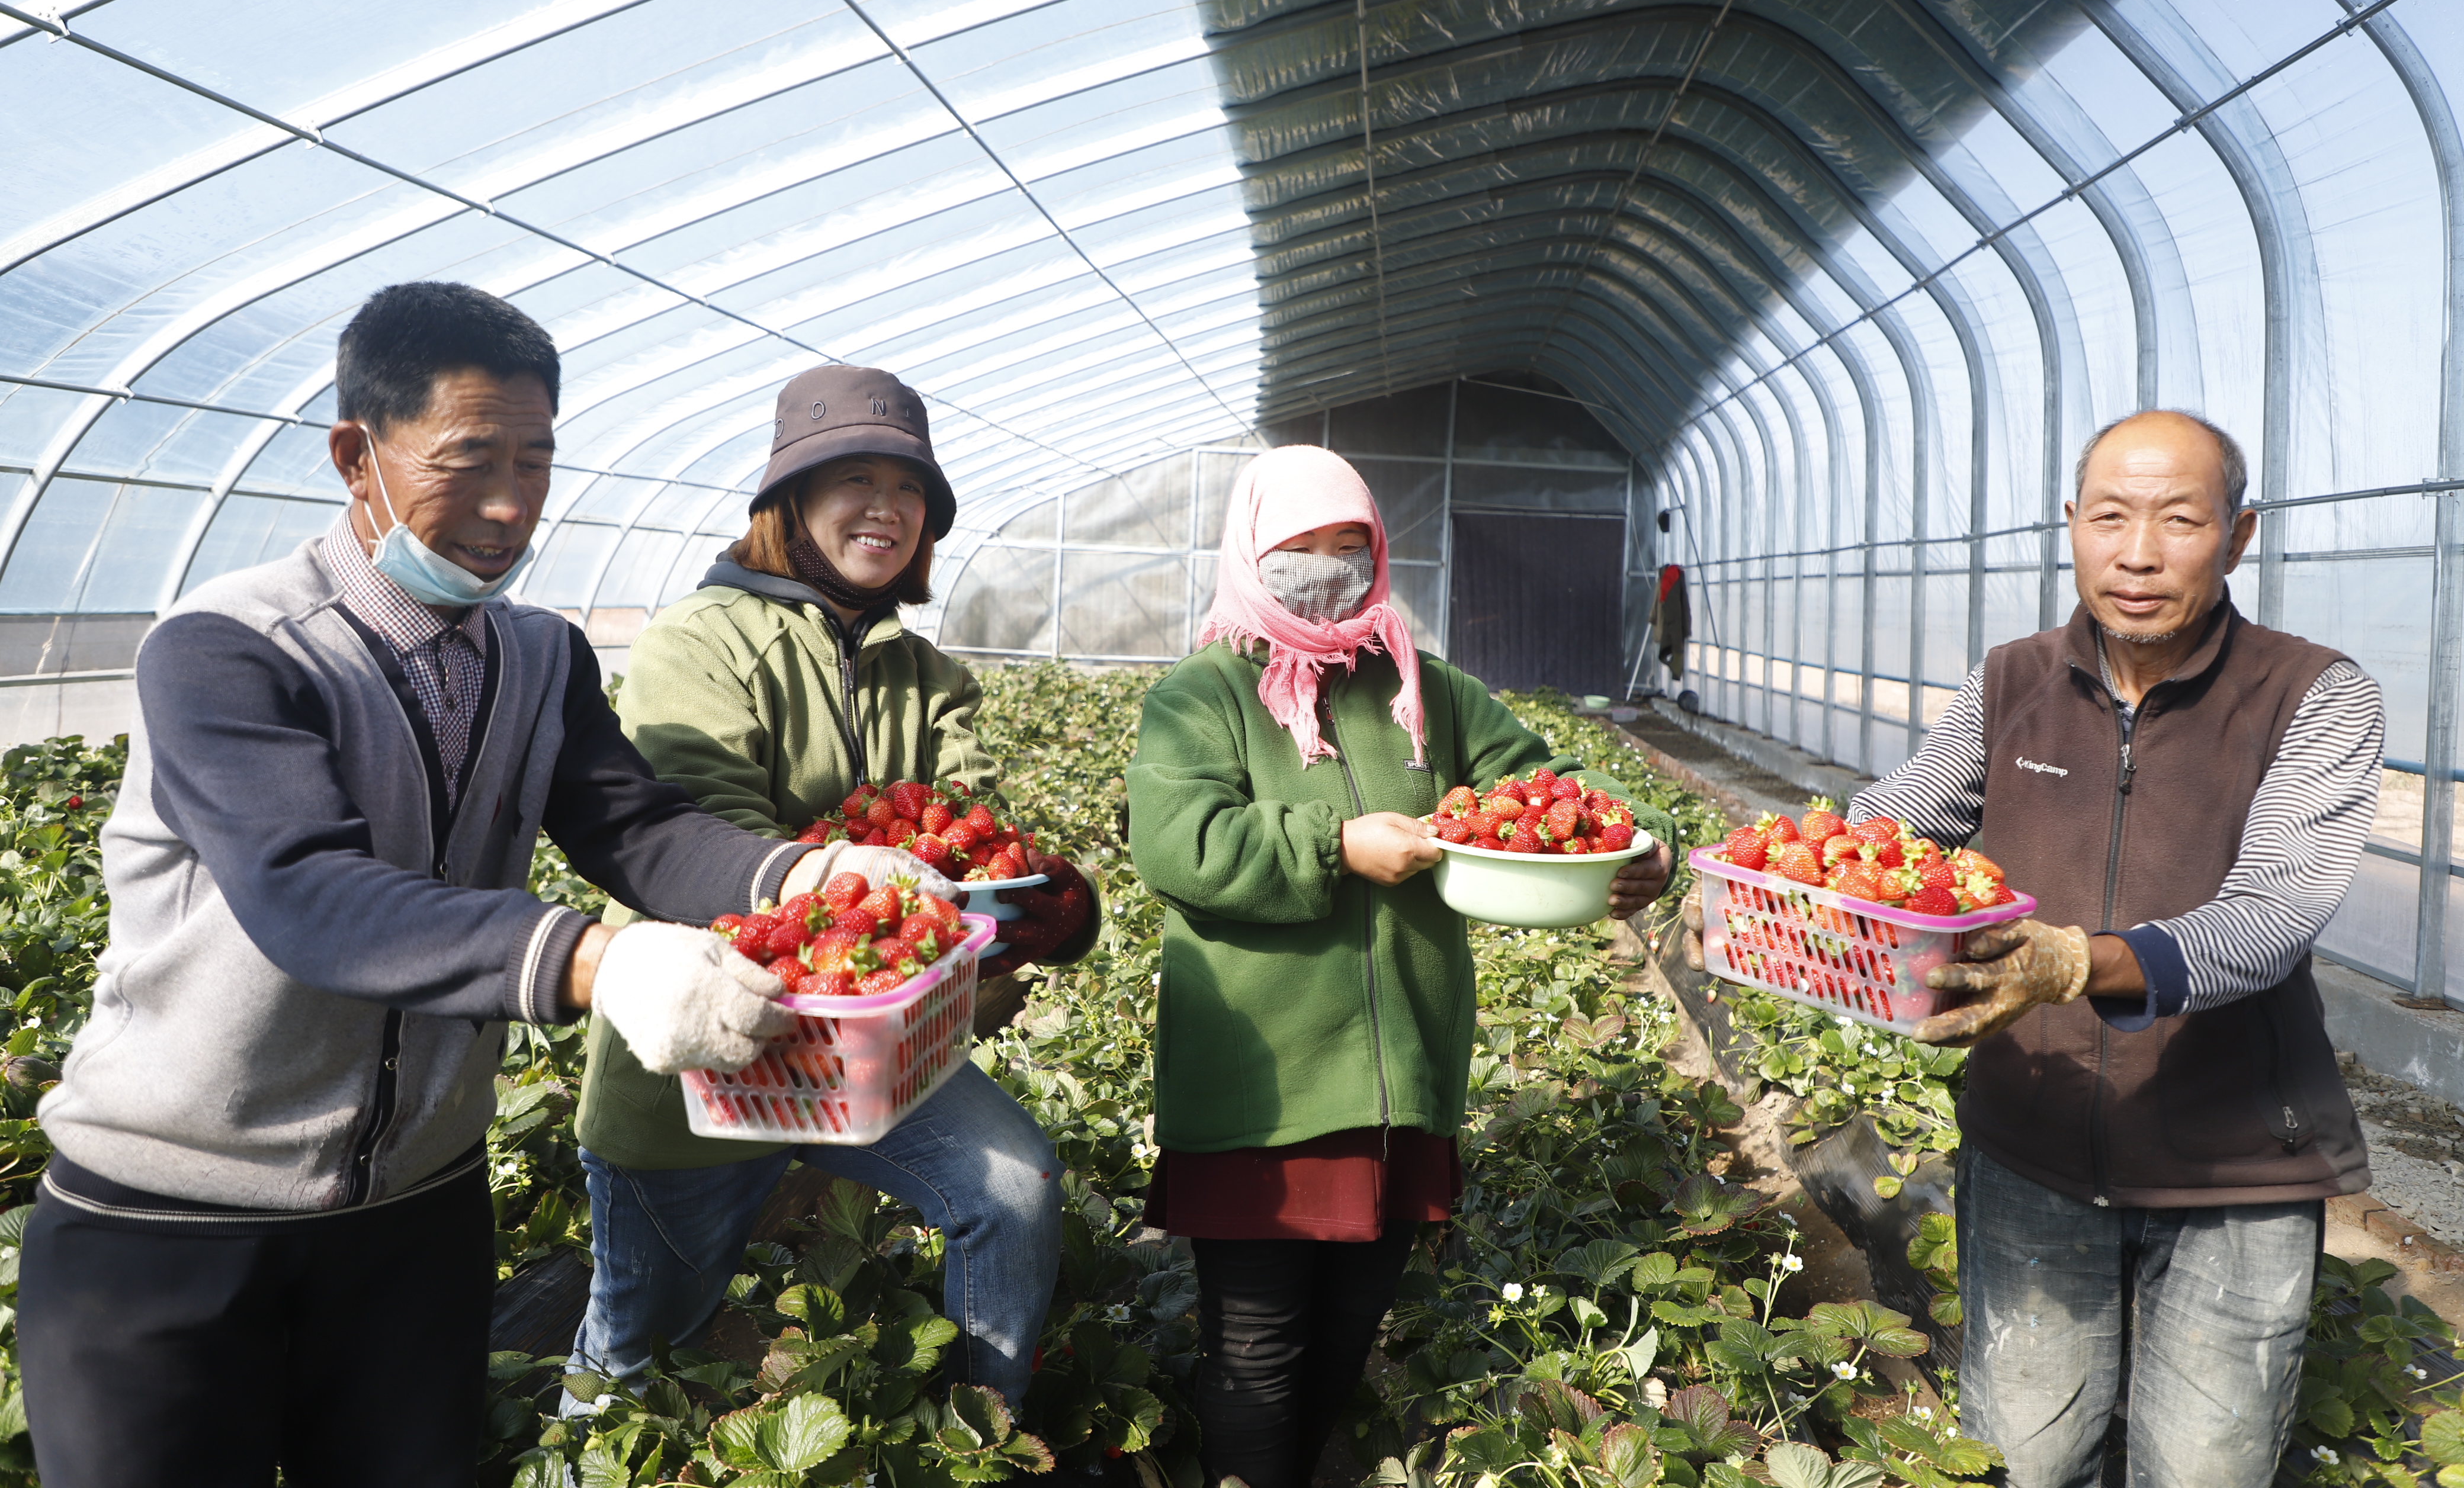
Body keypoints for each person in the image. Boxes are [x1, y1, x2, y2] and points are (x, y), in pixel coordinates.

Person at [14, 284, 946, 1488]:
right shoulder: (230, 648)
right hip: (171, 1224)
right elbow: (308, 895)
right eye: (469, 461)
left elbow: (641, 831)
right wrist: (602, 959)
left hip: (416, 1217)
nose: (510, 507)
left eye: (536, 462)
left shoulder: (538, 654)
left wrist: (807, 874)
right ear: (358, 453)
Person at [1689, 409, 2378, 1484]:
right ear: (2072, 526)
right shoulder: (2012, 682)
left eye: (2179, 521)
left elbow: (2276, 913)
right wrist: (1763, 879)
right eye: (2110, 517)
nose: (2138, 553)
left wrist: (2080, 964)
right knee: (2023, 1456)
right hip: (2032, 1145)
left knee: (2204, 1468)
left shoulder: (2313, 694)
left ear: (2239, 536)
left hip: (2233, 1168)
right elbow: (1898, 823)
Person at [1127, 445, 1676, 1488]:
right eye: (1300, 547)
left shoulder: (1424, 690)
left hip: (1402, 1084)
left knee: (1346, 1334)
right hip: (1264, 1090)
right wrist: (1335, 849)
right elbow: (1180, 842)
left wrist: (1641, 841)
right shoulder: (1202, 696)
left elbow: (1550, 779)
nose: (1328, 567)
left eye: (1352, 545)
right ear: (1252, 553)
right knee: (1254, 1351)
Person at [567, 365, 1101, 1410]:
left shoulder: (928, 675)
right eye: (854, 479)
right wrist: (858, 882)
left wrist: (1042, 907)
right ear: (790, 502)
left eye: (911, 492)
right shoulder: (700, 641)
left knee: (1016, 1190)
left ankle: (975, 1436)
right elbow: (691, 846)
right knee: (641, 1346)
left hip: (881, 1054)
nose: (887, 509)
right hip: (712, 1061)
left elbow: (971, 839)